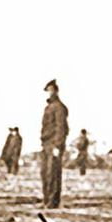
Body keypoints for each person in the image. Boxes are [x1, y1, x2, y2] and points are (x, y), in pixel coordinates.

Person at [40, 79, 69, 208]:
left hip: (53, 145)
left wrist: (58, 145)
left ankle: (53, 201)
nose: (48, 94)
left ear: (56, 91)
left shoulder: (59, 107)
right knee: (45, 173)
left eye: (50, 91)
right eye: (47, 91)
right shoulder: (49, 107)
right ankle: (46, 200)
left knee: (53, 173)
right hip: (46, 144)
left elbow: (61, 128)